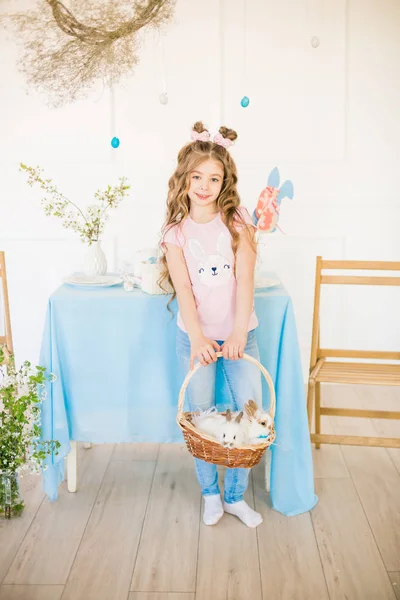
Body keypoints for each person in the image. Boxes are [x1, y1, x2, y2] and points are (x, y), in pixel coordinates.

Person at [159, 121, 263, 528]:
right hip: (196, 339)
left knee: (247, 416)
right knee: (200, 417)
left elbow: (246, 278)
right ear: (184, 179)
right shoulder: (175, 233)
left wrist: (239, 332)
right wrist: (199, 336)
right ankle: (210, 494)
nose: (204, 185)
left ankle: (235, 496)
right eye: (197, 177)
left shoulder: (237, 219)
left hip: (241, 333)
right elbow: (184, 289)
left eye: (214, 178)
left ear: (225, 182)